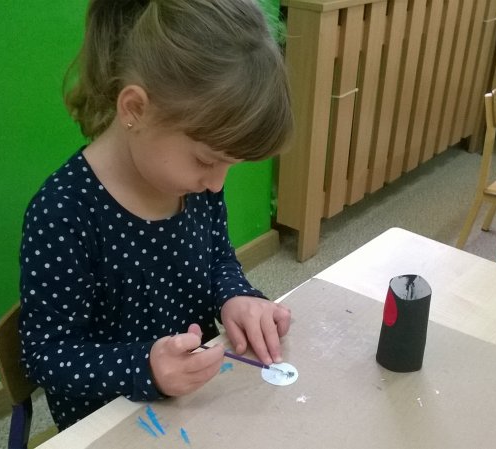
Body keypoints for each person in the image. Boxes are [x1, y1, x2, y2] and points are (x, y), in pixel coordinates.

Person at [18, 0, 294, 430]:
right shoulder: (63, 213)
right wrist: (145, 366)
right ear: (135, 110)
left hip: (196, 399)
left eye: (230, 166)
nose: (217, 183)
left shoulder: (193, 184)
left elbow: (217, 258)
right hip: (110, 422)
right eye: (207, 161)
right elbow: (46, 355)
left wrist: (236, 296)